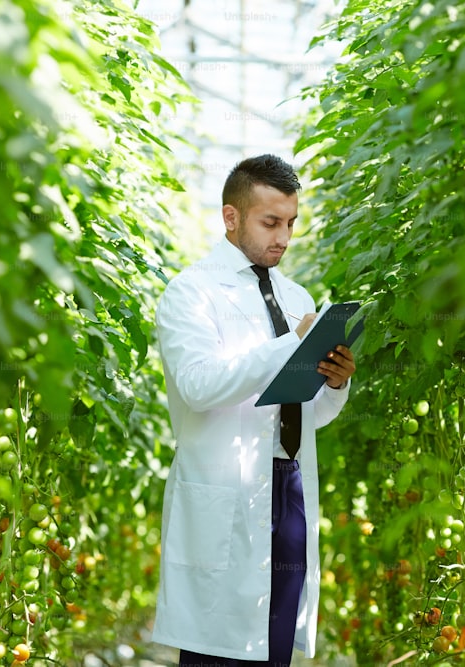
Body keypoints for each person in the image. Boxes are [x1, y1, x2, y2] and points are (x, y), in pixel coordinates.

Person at [151, 154, 357, 666]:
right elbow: (199, 385)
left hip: (288, 486)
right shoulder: (191, 293)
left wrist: (334, 383)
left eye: (290, 223)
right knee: (216, 653)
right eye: (270, 222)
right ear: (231, 217)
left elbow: (307, 413)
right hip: (225, 494)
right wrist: (291, 344)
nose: (283, 237)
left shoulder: (296, 296)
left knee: (276, 648)